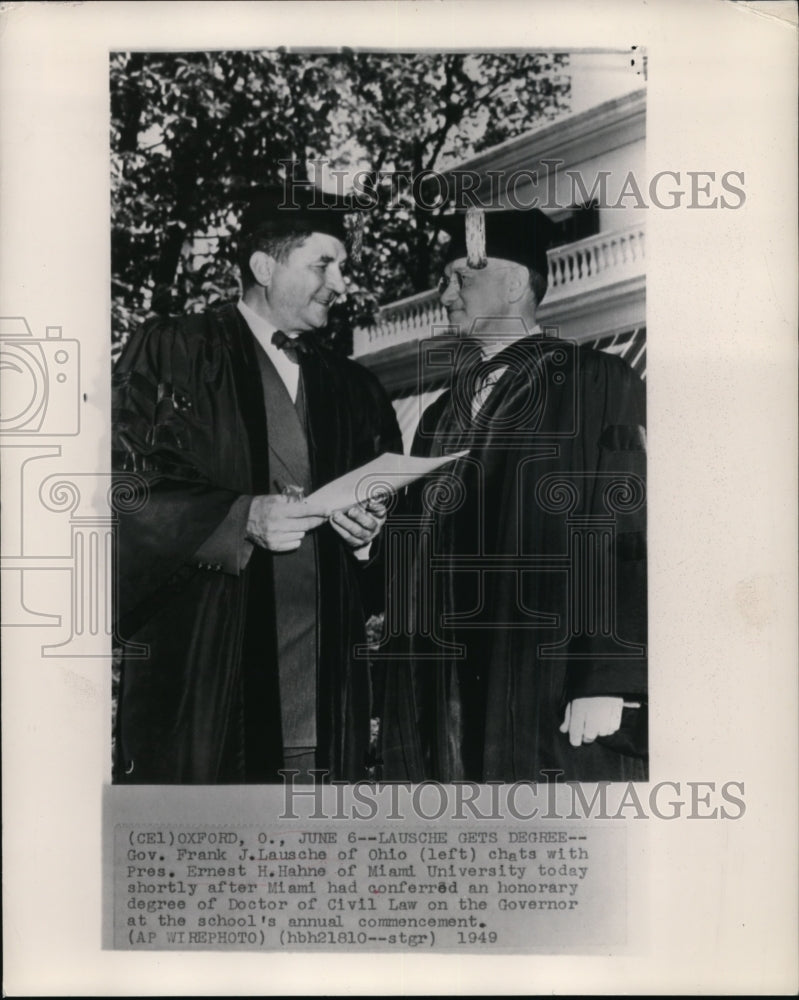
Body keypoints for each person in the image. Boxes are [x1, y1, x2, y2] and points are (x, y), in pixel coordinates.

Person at [112, 184, 402, 784]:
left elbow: (395, 535)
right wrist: (239, 518)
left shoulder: (356, 390)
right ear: (264, 267)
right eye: (324, 263)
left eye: (343, 266)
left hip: (323, 696)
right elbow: (119, 488)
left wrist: (370, 537)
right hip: (210, 684)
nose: (342, 283)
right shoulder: (173, 352)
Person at [379, 206, 647, 783]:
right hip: (445, 699)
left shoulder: (595, 382)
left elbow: (629, 533)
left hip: (546, 685)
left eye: (459, 277)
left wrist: (610, 678)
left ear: (514, 283)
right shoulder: (438, 417)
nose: (443, 292)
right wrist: (367, 541)